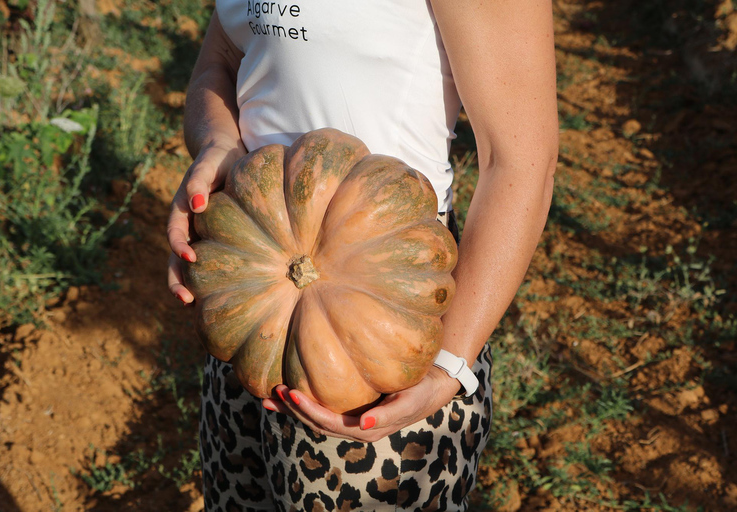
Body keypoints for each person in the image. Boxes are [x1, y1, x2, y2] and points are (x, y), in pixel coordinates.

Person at [167, 0, 558, 509]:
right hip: (246, 302)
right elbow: (220, 57)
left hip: (386, 325)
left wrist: (446, 368)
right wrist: (217, 143)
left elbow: (521, 160)